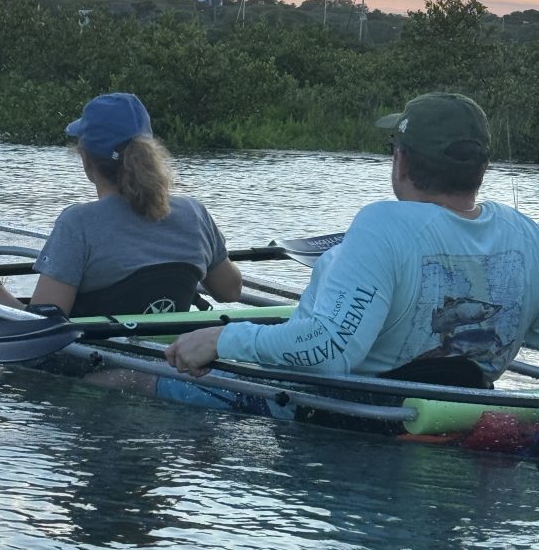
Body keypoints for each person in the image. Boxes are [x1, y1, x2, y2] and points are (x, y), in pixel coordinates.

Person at [165, 91, 539, 388]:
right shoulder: (526, 233)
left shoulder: (383, 225)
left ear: (402, 160)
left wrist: (221, 339)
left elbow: (325, 350)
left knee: (128, 379)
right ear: (482, 167)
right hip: (463, 419)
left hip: (350, 428)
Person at [0, 92, 242, 315]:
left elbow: (40, 326)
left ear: (85, 158)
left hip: (99, 369)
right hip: (174, 360)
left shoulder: (78, 224)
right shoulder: (194, 213)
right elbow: (230, 290)